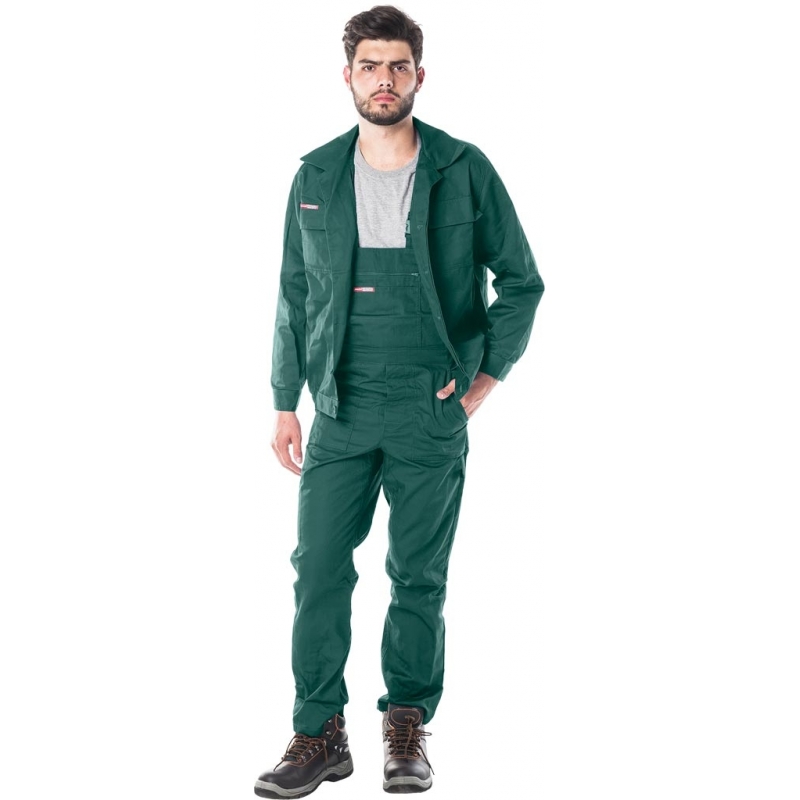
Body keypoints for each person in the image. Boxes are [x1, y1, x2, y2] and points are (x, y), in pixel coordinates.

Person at [255, 5, 544, 796]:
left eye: (398, 66)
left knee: (418, 576)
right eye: (370, 66)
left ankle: (406, 727)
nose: (384, 80)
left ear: (420, 75)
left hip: (429, 405)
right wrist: (284, 400)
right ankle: (319, 732)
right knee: (318, 568)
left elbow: (522, 282)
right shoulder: (316, 174)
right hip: (340, 405)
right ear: (346, 76)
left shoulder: (463, 168)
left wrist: (483, 381)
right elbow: (294, 292)